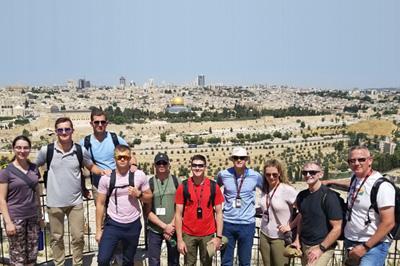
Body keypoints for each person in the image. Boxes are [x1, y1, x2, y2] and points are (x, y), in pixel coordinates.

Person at [36, 117, 108, 266]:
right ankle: (59, 263)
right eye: (60, 129)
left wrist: (106, 173)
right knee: (56, 238)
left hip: (75, 202)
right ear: (56, 132)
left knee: (78, 237)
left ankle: (78, 263)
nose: (64, 132)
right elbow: (33, 167)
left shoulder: (80, 150)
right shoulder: (47, 151)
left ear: (72, 131)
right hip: (54, 202)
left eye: (67, 129)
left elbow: (91, 166)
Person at [325, 146, 395, 265]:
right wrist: (330, 182)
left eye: (361, 159)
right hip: (351, 240)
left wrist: (365, 247)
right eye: (352, 161)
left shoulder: (383, 186)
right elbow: (355, 186)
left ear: (370, 160)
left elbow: (388, 222)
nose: (356, 163)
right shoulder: (355, 179)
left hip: (373, 244)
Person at [96, 145, 152, 266]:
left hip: (133, 224)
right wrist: (98, 230)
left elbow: (149, 197)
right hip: (113, 224)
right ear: (114, 158)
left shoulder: (139, 175)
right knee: (103, 259)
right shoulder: (106, 178)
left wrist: (139, 194)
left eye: (125, 157)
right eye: (119, 157)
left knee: (128, 260)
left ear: (130, 158)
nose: (122, 160)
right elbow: (100, 204)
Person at [0, 136, 43, 265]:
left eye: (25, 148)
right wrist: (8, 223)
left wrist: (40, 216)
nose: (22, 151)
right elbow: (1, 199)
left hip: (33, 218)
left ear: (29, 149)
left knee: (32, 255)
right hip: (15, 218)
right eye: (18, 147)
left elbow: (37, 194)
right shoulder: (6, 172)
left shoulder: (34, 169)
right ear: (13, 149)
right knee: (18, 257)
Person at [217, 147, 263, 266]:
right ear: (232, 159)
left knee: (245, 262)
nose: (239, 160)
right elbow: (215, 191)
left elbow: (267, 192)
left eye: (242, 158)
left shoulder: (255, 176)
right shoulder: (223, 174)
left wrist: (262, 207)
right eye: (236, 158)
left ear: (246, 159)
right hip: (227, 223)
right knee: (226, 261)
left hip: (247, 224)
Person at [175, 154, 224, 266]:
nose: (197, 168)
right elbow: (178, 214)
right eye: (195, 165)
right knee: (188, 263)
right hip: (188, 234)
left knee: (207, 263)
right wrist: (179, 239)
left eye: (200, 166)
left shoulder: (213, 186)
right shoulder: (183, 186)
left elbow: (219, 213)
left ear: (205, 167)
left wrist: (219, 237)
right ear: (191, 167)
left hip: (208, 234)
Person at [292, 162, 342, 266]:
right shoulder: (302, 196)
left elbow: (337, 227)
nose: (308, 175)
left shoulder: (329, 196)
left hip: (322, 245)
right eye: (305, 172)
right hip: (305, 244)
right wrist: (297, 240)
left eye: (312, 172)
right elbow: (302, 218)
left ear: (321, 174)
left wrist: (320, 248)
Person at [80, 108, 128, 201]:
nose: (100, 125)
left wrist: (133, 165)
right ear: (91, 124)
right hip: (98, 187)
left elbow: (129, 155)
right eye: (97, 122)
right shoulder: (85, 143)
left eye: (103, 122)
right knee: (101, 214)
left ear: (106, 123)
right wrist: (83, 187)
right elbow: (79, 167)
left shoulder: (115, 139)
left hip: (118, 184)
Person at [259, 159, 298, 266]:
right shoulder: (264, 189)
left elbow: (303, 211)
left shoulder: (287, 190)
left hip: (280, 238)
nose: (271, 177)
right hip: (264, 234)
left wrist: (290, 226)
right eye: (268, 174)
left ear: (280, 173)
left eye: (274, 174)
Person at [144, 153, 180, 266]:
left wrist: (172, 226)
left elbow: (181, 207)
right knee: (154, 261)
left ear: (168, 164)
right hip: (155, 230)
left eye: (164, 162)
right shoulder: (149, 184)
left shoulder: (176, 181)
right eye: (159, 163)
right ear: (154, 165)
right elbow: (147, 211)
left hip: (173, 229)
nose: (161, 165)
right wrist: (165, 227)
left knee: (174, 261)